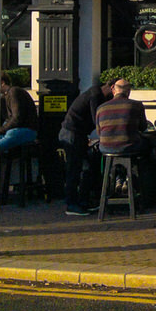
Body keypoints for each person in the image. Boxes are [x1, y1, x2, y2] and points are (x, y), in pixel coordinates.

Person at [58, 77, 114, 215]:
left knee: (86, 168)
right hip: (72, 134)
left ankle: (82, 201)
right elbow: (97, 118)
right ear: (111, 87)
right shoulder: (95, 94)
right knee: (75, 168)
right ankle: (71, 204)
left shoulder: (96, 94)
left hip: (78, 134)